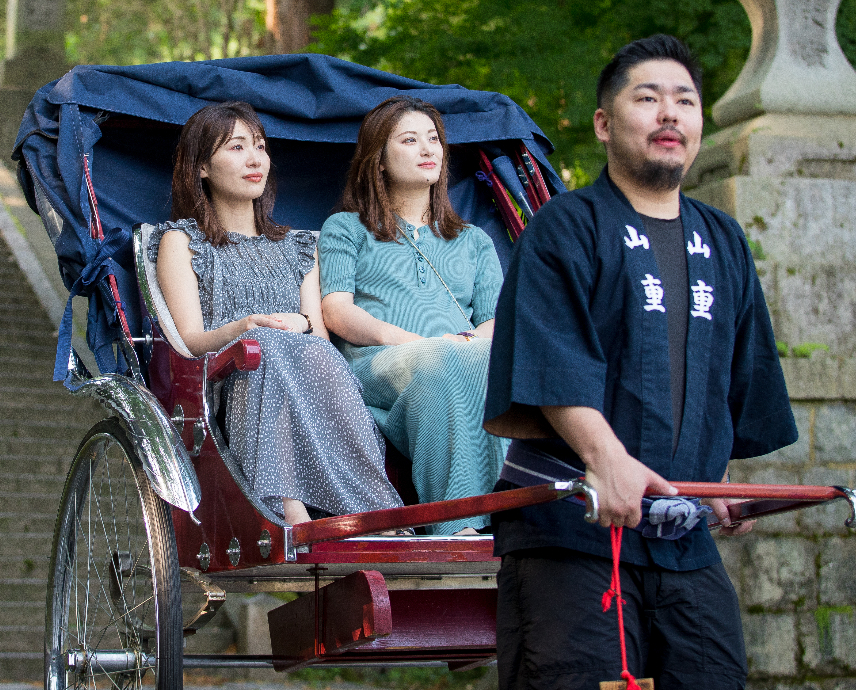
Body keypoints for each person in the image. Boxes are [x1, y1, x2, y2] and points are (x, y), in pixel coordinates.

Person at [484, 35, 797, 689]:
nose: (669, 114)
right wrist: (606, 459)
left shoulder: (723, 239)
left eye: (684, 100)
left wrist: (721, 479)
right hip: (572, 527)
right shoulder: (565, 226)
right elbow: (551, 357)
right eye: (647, 98)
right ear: (604, 123)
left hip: (682, 539)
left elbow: (734, 377)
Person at [150, 101, 403, 525]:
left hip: (306, 376)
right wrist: (244, 327)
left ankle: (373, 511)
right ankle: (289, 507)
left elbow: (320, 340)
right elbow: (190, 339)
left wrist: (301, 323)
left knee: (314, 355)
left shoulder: (296, 245)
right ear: (201, 168)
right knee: (261, 345)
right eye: (236, 147)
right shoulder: (181, 241)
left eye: (261, 147)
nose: (255, 159)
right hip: (229, 378)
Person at [319, 97, 509, 534]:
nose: (428, 150)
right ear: (379, 161)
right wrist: (414, 342)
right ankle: (456, 524)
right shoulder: (346, 228)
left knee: (494, 361)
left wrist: (465, 345)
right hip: (377, 361)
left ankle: (515, 515)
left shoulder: (475, 240)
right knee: (442, 363)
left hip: (460, 355)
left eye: (434, 140)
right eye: (409, 140)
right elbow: (336, 309)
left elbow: (496, 319)